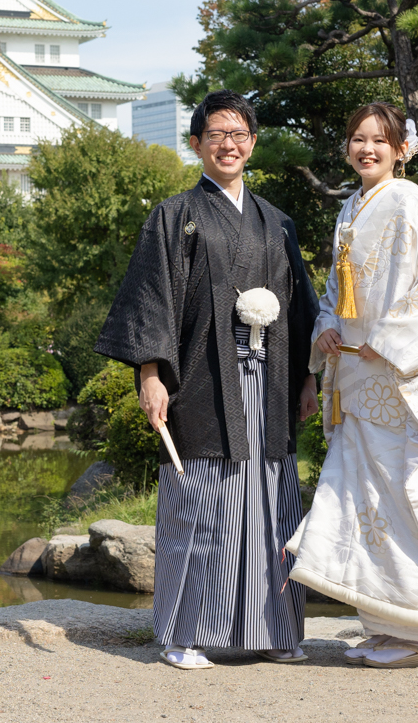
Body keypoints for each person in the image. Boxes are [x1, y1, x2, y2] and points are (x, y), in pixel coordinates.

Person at [95, 90, 321, 670]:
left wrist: (307, 381)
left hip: (269, 382)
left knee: (270, 509)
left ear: (253, 144)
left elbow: (300, 308)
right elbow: (153, 300)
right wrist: (149, 372)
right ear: (195, 143)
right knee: (199, 505)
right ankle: (181, 634)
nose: (230, 144)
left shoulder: (279, 223)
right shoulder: (175, 216)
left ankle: (274, 632)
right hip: (200, 381)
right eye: (217, 133)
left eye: (240, 133)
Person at [286, 102, 418, 669]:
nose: (366, 149)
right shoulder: (350, 209)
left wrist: (392, 338)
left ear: (402, 150)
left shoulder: (406, 205)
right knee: (366, 505)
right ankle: (385, 625)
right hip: (356, 374)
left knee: (400, 501)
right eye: (357, 139)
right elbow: (334, 292)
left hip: (396, 379)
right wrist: (326, 329)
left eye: (380, 140)